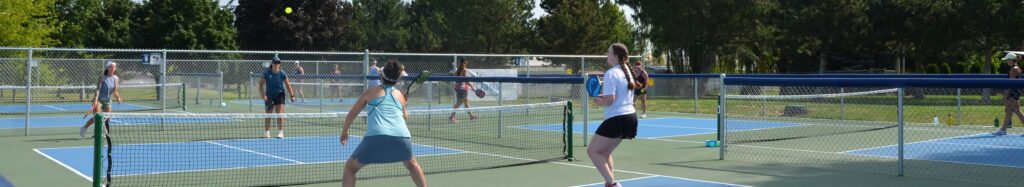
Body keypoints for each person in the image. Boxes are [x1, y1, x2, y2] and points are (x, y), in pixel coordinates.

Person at [340, 59, 426, 187]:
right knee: (412, 164)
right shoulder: (399, 95)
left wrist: (345, 130)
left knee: (350, 168)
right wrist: (404, 101)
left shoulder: (370, 92)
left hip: (376, 136)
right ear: (397, 80)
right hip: (402, 137)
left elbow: (352, 113)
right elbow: (405, 117)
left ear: (381, 76)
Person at [589, 43, 640, 187]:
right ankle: (609, 183)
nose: (607, 54)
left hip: (618, 118)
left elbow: (610, 100)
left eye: (608, 52)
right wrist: (603, 97)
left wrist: (599, 101)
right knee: (604, 153)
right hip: (631, 117)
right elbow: (617, 96)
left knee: (592, 151)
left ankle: (612, 184)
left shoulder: (611, 73)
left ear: (616, 56)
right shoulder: (628, 72)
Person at [80, 60, 123, 137]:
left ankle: (98, 133)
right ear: (108, 67)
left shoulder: (116, 78)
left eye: (114, 66)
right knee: (97, 117)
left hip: (108, 101)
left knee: (107, 118)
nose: (113, 68)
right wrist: (96, 100)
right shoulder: (102, 77)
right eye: (111, 66)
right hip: (99, 100)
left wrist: (118, 98)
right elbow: (98, 89)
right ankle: (84, 127)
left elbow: (115, 91)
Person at [259, 57, 297, 138]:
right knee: (268, 114)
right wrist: (263, 95)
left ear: (280, 64)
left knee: (279, 114)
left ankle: (280, 132)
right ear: (272, 63)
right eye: (275, 62)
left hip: (280, 95)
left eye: (278, 63)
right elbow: (260, 84)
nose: (276, 64)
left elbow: (287, 84)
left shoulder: (282, 73)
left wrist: (292, 95)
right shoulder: (266, 73)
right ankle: (267, 132)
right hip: (269, 96)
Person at [994, 53, 1024, 136]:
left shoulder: (1013, 69)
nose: (1007, 62)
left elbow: (1010, 84)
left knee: (1017, 111)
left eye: (1008, 60)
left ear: (1011, 60)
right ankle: (1003, 130)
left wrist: (1005, 96)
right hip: (1015, 93)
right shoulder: (1017, 68)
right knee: (1009, 112)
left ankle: (1003, 130)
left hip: (1012, 94)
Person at [449, 59, 478, 124]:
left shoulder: (458, 70)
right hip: (462, 88)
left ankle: (471, 116)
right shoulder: (464, 70)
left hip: (460, 88)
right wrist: (472, 86)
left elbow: (457, 78)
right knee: (459, 102)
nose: (466, 64)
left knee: (466, 102)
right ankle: (452, 117)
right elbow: (465, 80)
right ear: (464, 63)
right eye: (465, 63)